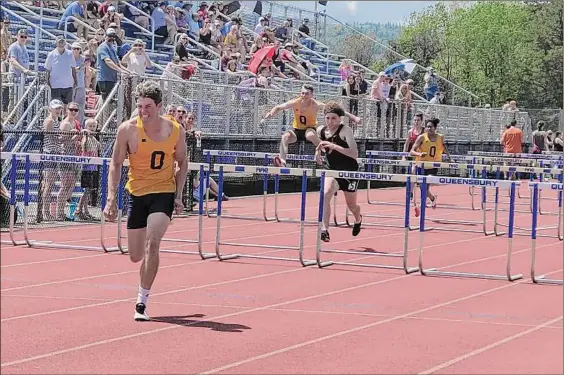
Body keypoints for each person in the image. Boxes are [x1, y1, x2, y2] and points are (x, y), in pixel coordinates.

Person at [103, 80, 188, 321]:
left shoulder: (175, 130)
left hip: (163, 192)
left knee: (153, 242)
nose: (143, 111)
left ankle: (142, 300)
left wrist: (179, 195)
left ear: (159, 106)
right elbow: (116, 163)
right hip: (137, 193)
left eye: (148, 106)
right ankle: (143, 284)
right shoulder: (127, 129)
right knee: (135, 255)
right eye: (140, 106)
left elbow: (183, 162)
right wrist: (111, 198)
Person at [262, 84, 360, 167]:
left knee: (310, 135)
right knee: (285, 136)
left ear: (312, 95)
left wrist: (354, 118)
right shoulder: (295, 102)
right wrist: (271, 113)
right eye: (302, 93)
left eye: (307, 94)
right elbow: (278, 107)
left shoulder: (316, 104)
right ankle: (282, 161)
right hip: (297, 130)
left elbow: (337, 110)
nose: (304, 96)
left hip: (310, 129)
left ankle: (326, 151)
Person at [314, 101, 362, 242]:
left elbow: (354, 154)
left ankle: (358, 219)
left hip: (349, 172)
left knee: (352, 206)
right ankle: (325, 229)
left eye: (333, 118)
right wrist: (317, 152)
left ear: (340, 118)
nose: (330, 121)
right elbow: (322, 145)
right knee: (326, 193)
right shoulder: (321, 131)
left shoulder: (345, 130)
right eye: (327, 118)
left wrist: (334, 146)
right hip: (332, 170)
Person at [409, 118, 452, 217]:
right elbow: (411, 151)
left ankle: (420, 206)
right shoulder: (421, 138)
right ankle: (432, 198)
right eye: (427, 127)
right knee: (422, 187)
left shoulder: (440, 137)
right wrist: (419, 153)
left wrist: (449, 158)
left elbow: (444, 148)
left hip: (433, 166)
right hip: (421, 165)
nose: (428, 129)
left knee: (424, 186)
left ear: (435, 128)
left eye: (431, 127)